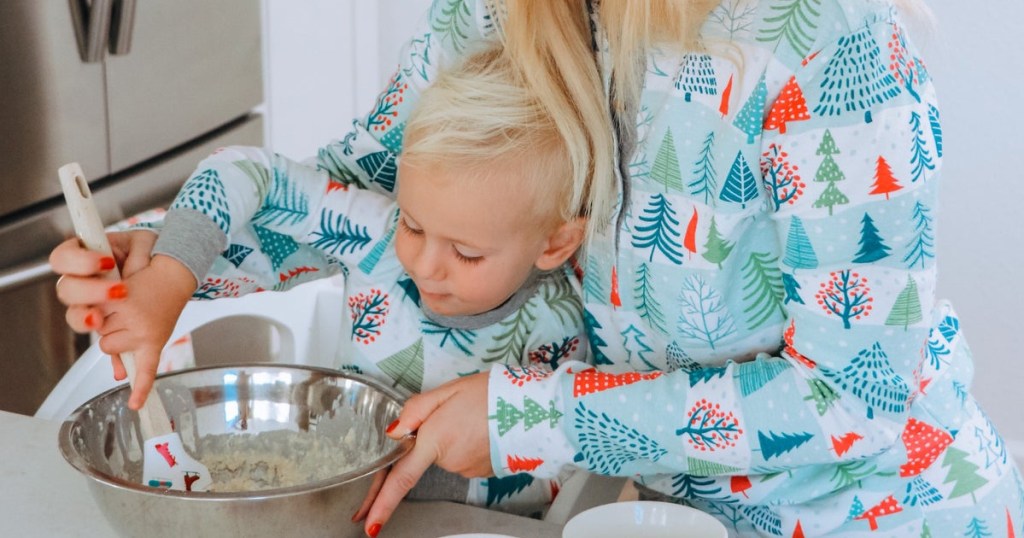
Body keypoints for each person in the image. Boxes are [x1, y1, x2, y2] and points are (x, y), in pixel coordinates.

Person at [53, 1, 1024, 537]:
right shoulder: (504, 9)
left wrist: (529, 414)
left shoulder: (825, 43)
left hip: (885, 514)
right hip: (665, 510)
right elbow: (373, 193)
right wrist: (173, 256)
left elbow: (858, 396)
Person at [51, 46, 590, 516]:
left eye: (467, 253)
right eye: (414, 224)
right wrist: (170, 273)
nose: (424, 265)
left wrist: (414, 480)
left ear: (554, 244)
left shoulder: (562, 327)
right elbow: (244, 172)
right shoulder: (371, 234)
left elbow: (558, 474)